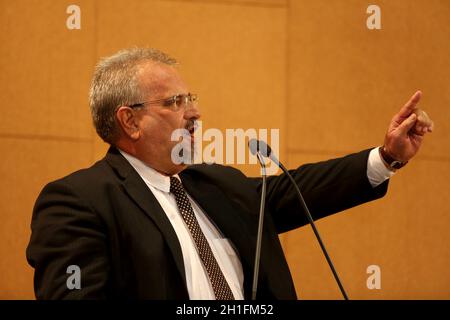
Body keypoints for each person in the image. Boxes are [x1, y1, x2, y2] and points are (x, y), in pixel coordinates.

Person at [26, 48, 433, 300]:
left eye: (192, 99)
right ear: (130, 121)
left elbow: (301, 190)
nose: (195, 112)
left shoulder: (217, 185)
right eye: (175, 101)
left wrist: (386, 157)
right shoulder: (79, 201)